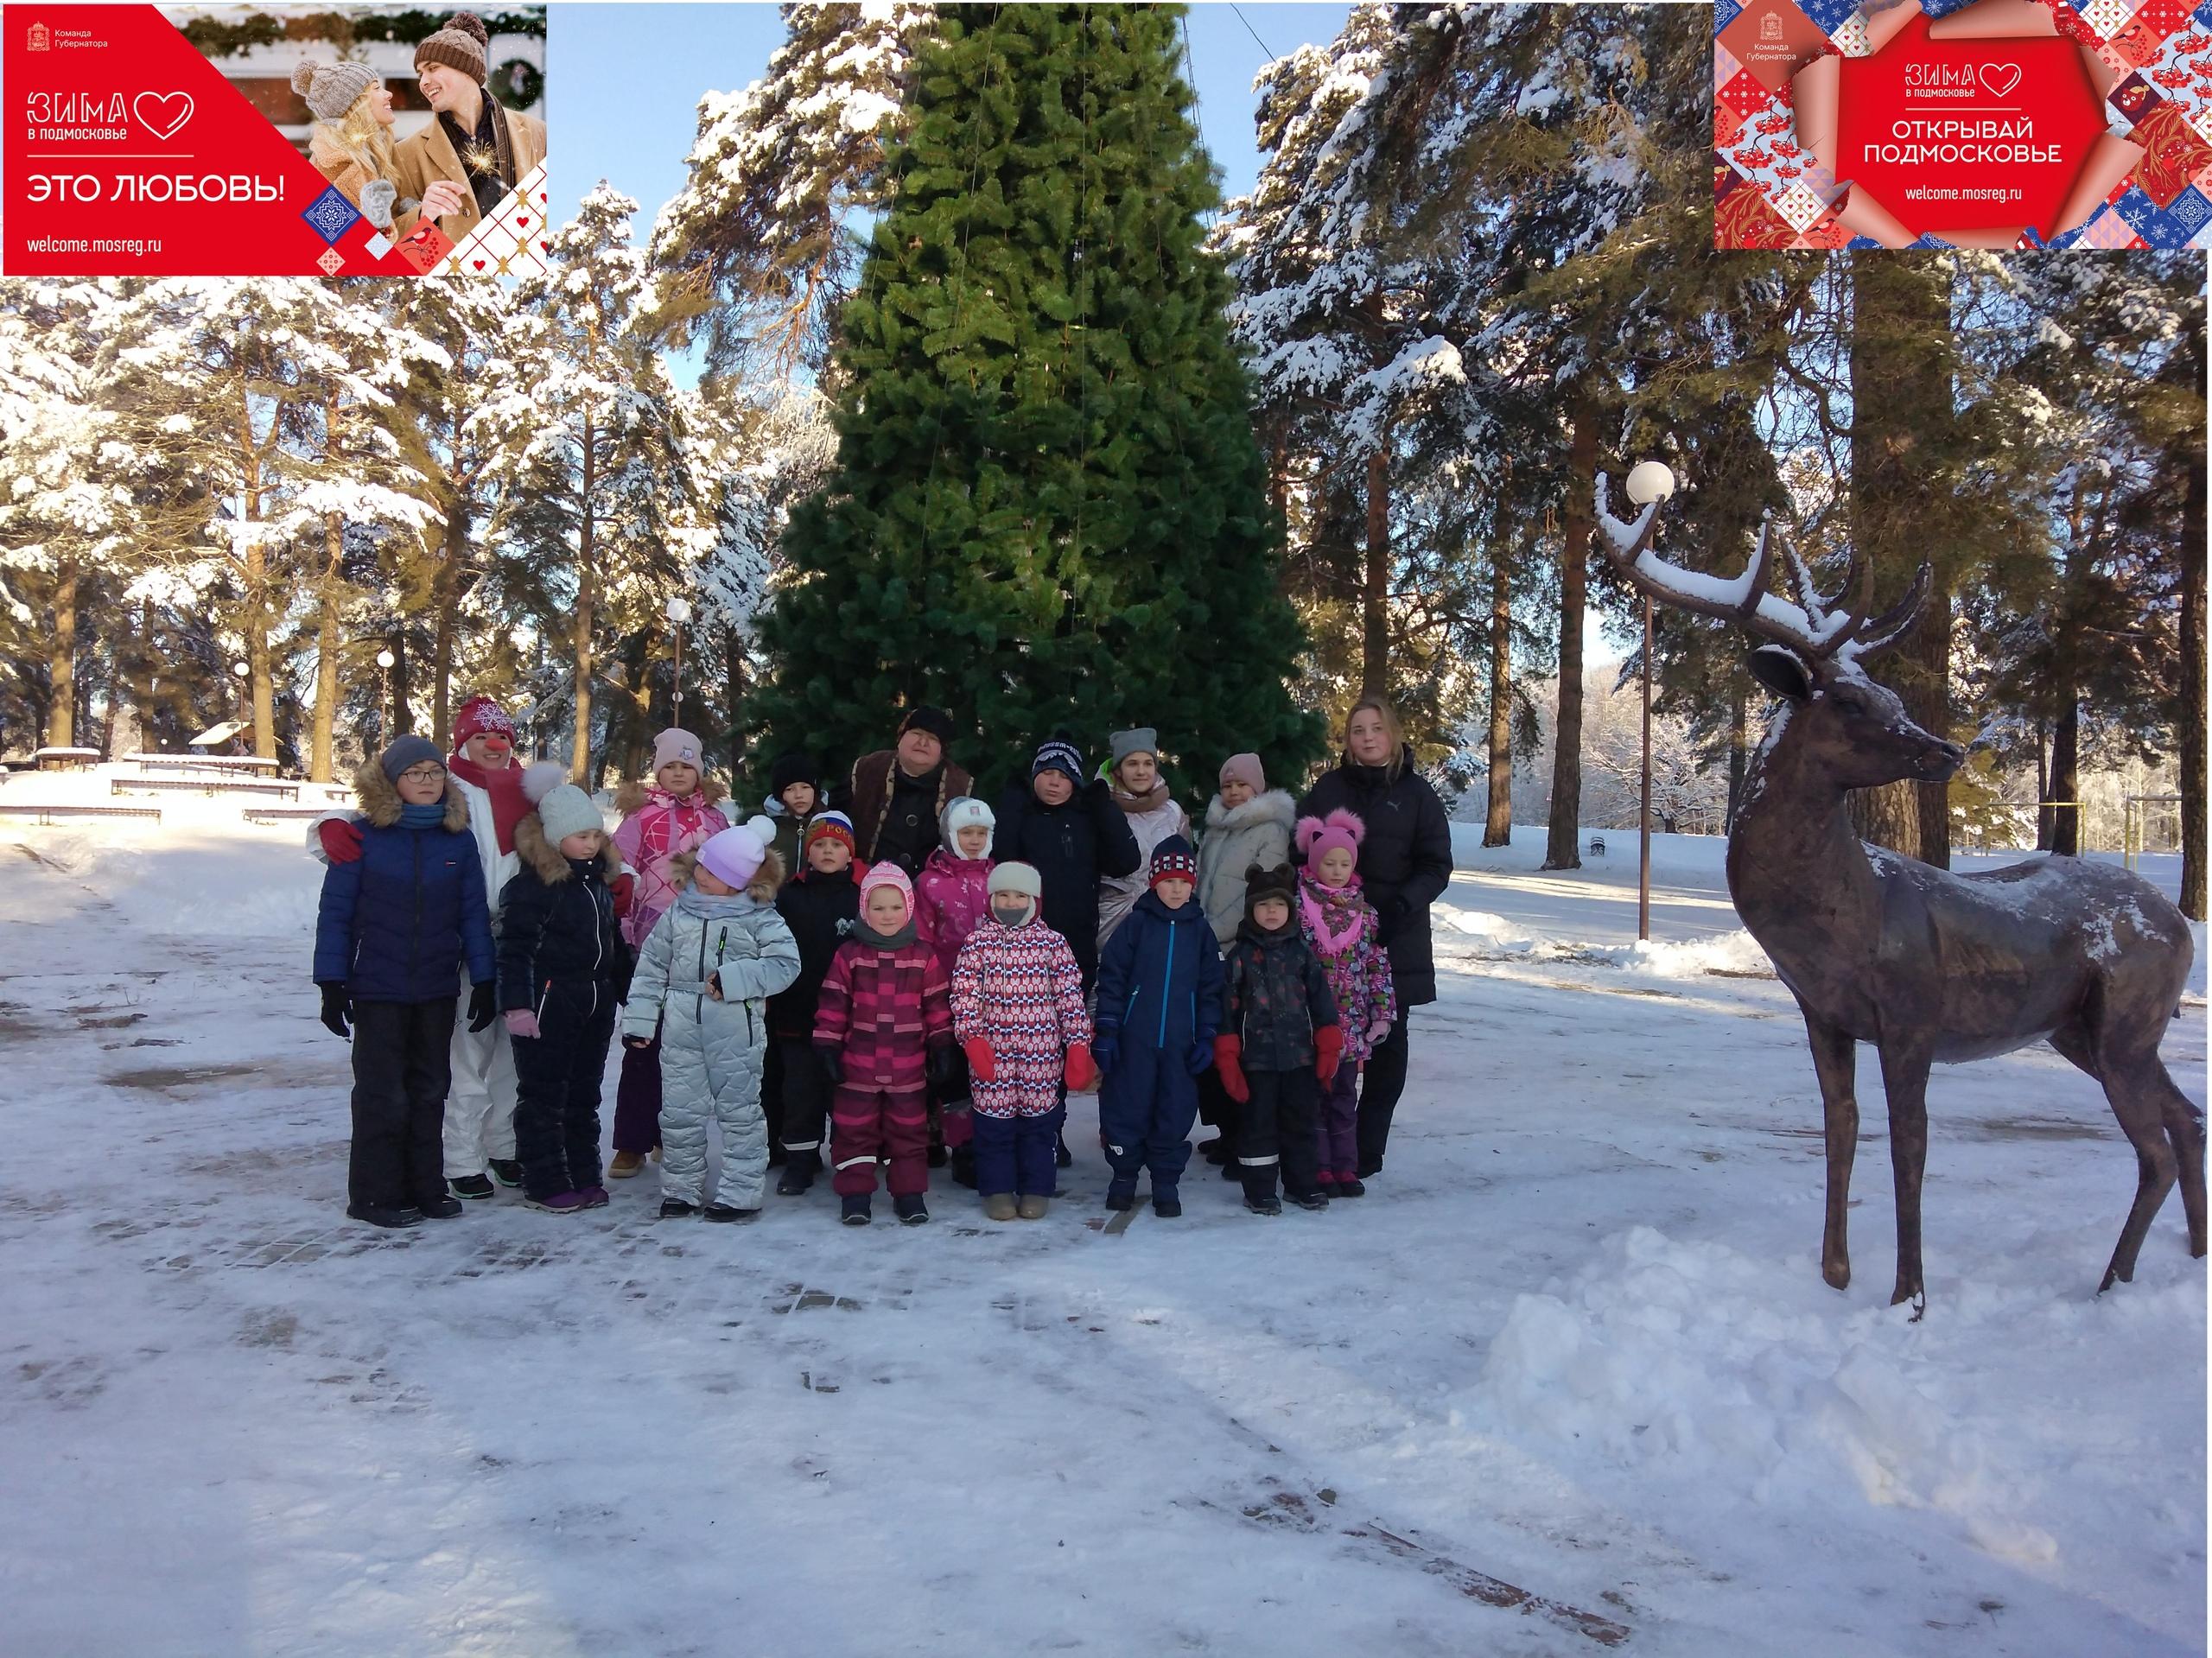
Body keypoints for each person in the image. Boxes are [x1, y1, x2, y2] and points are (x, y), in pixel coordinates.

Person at [308, 693, 542, 1199]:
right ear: (462, 743)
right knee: (466, 1056)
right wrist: (324, 827)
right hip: (455, 940)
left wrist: (620, 874)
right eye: (482, 737)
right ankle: (461, 1159)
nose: (494, 746)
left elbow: (582, 834)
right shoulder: (442, 784)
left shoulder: (530, 792)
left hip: (518, 940)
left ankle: (504, 1147)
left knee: (512, 1057)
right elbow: (373, 818)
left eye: (503, 737)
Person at [313, 736, 497, 1229]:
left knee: (430, 1088)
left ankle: (425, 1185)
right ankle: (374, 1194)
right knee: (382, 1093)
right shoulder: (363, 836)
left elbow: (473, 913)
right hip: (378, 987)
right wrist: (331, 983)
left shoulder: (457, 838)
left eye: (433, 773)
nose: (426, 782)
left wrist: (484, 978)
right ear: (393, 780)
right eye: (414, 773)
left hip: (436, 987)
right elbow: (336, 914)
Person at [1296, 698, 1452, 1181]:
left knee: (1385, 1041)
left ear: (1393, 734)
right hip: (1326, 939)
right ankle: (1321, 1143)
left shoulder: (1417, 795)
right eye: (1357, 729)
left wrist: (1400, 907)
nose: (1366, 737)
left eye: (1376, 728)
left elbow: (1436, 865)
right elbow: (1298, 848)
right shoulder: (1328, 789)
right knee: (1320, 1040)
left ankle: (1367, 1146)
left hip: (1392, 935)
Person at [621, 818, 799, 1222]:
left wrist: (736, 979)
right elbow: (651, 967)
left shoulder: (759, 917)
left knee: (740, 1112)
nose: (699, 874)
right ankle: (681, 1189)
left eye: (712, 871)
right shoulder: (678, 913)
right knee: (679, 1112)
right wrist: (641, 1019)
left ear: (737, 882)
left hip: (736, 1029)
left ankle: (740, 1193)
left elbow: (785, 964)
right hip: (682, 1026)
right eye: (700, 866)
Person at [994, 738, 1141, 1170]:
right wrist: (1014, 801)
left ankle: (1051, 1131)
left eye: (1063, 776)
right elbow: (1002, 856)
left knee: (1056, 1045)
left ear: (1075, 781)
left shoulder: (1086, 817)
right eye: (1045, 774)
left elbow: (1126, 862)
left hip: (1075, 950)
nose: (1053, 783)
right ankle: (1016, 1128)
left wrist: (1101, 804)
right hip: (1021, 951)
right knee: (1019, 1042)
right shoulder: (1024, 815)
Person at [496, 778, 628, 1214]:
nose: (591, 844)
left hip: (595, 1000)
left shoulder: (597, 885)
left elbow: (613, 942)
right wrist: (517, 1003)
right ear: (556, 838)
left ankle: (584, 1173)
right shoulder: (534, 887)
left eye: (595, 835)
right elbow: (515, 949)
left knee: (585, 1093)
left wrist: (628, 990)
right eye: (581, 836)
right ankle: (544, 1179)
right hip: (550, 1002)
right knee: (545, 1094)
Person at [607, 728, 730, 1178]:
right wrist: (622, 928)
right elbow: (618, 869)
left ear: (699, 771)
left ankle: (670, 1134)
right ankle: (631, 1142)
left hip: (701, 946)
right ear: (658, 770)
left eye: (687, 766)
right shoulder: (641, 817)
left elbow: (732, 874)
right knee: (644, 1041)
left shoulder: (715, 820)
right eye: (670, 766)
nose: (678, 773)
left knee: (688, 1048)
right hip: (650, 943)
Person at [950, 862, 1095, 1221]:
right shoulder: (977, 943)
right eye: (1003, 895)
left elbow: (1070, 998)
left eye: (1019, 895)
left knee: (1039, 1126)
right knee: (993, 1126)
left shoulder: (1053, 944)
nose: (1011, 902)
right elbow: (964, 994)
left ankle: (1036, 1188)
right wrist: (972, 1038)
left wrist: (1077, 1045)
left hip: (1041, 1055)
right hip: (992, 1053)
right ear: (991, 898)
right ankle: (997, 1190)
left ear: (1034, 900)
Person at [814, 863, 954, 1225]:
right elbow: (832, 1007)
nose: (887, 915)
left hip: (908, 1069)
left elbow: (937, 1008)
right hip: (857, 1068)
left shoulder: (923, 955)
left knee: (908, 1133)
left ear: (908, 908)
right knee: (853, 1131)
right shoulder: (850, 955)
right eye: (878, 907)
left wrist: (942, 1047)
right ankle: (855, 1194)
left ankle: (908, 1193)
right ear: (864, 909)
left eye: (895, 907)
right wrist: (827, 1048)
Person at [1091, 836, 1224, 1217]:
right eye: (1169, 881)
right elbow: (1113, 978)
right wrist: (1109, 1030)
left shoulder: (1200, 932)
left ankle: (1166, 1181)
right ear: (1154, 882)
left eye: (1184, 882)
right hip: (1135, 1042)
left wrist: (1207, 1035)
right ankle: (1124, 1177)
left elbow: (1212, 988)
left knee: (1175, 1110)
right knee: (1126, 1108)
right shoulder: (1135, 926)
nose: (1176, 889)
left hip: (1182, 1045)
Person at [1215, 862, 1342, 1215]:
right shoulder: (1240, 958)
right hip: (1257, 1061)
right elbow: (1226, 1007)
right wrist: (1227, 1053)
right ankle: (1260, 1190)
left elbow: (1321, 1002)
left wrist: (1328, 1041)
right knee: (1258, 1127)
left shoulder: (1302, 954)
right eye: (1263, 905)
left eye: (1279, 905)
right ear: (1251, 911)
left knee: (1300, 1123)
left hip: (1300, 1058)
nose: (1271, 911)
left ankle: (1302, 1184)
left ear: (1290, 910)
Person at [1193, 752, 1297, 1170]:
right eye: (1228, 785)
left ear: (1258, 788)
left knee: (1240, 1044)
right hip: (1208, 945)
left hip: (1242, 945)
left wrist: (1217, 929)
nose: (1234, 793)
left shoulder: (1269, 830)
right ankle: (1224, 1130)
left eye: (1242, 785)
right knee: (1213, 1037)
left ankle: (1247, 1137)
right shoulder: (1216, 829)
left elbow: (1261, 892)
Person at [1294, 809, 1400, 1197]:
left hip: (1351, 1026)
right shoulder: (1299, 910)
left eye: (1344, 863)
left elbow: (1376, 965)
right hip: (1310, 1026)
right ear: (1313, 862)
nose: (1336, 870)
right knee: (1314, 1098)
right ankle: (1318, 1165)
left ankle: (1345, 1166)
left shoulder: (1365, 915)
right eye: (1328, 863)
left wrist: (1382, 1014)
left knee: (1343, 1097)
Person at [767, 811, 864, 1197]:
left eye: (836, 845)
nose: (827, 851)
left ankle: (849, 1158)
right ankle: (801, 1161)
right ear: (808, 851)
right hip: (798, 1013)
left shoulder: (862, 896)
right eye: (820, 844)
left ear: (849, 854)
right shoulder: (789, 894)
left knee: (846, 1091)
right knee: (800, 1093)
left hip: (850, 1020)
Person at [391, 12, 548, 245]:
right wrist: (422, 216)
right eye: (420, 73)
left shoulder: (538, 133)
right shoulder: (405, 153)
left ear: (467, 69)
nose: (423, 82)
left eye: (433, 68)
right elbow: (387, 242)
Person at [293, 60, 466, 235]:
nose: (389, 94)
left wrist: (415, 213)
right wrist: (379, 223)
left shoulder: (373, 153)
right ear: (355, 103)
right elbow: (349, 251)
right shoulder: (331, 165)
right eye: (376, 88)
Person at [914, 796, 995, 1170]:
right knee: (951, 1072)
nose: (975, 840)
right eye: (966, 832)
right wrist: (928, 989)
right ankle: (955, 1143)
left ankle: (984, 1140)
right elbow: (923, 942)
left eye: (982, 832)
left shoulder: (1000, 879)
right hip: (946, 993)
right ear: (950, 834)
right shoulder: (930, 883)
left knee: (985, 1068)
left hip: (994, 996)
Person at [846, 707, 973, 878]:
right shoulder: (867, 770)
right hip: (866, 884)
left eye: (933, 738)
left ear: (943, 751)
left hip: (931, 893)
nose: (922, 743)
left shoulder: (961, 787)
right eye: (917, 733)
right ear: (900, 738)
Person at [1096, 727, 1192, 950]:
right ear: (1118, 770)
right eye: (1132, 764)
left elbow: (1188, 870)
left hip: (1162, 919)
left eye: (1147, 763)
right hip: (1111, 921)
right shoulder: (1099, 809)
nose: (1141, 771)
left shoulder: (1172, 812)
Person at [762, 751, 823, 882]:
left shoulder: (828, 826)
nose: (799, 795)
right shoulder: (765, 829)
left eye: (805, 787)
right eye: (789, 789)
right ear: (780, 795)